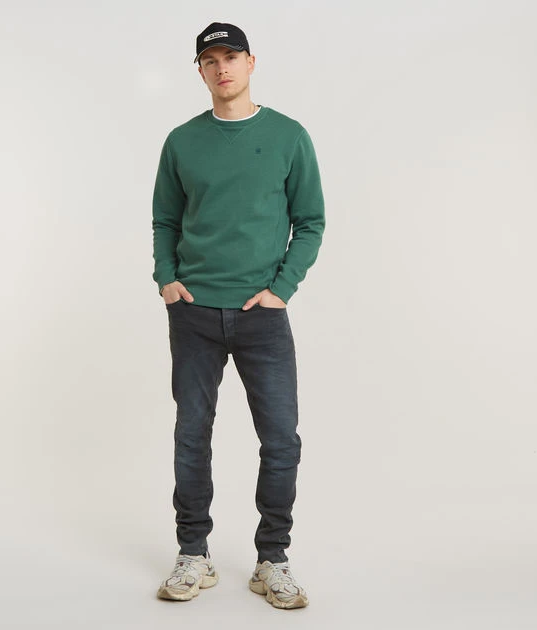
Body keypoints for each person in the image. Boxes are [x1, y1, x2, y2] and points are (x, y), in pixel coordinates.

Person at [152, 22, 325, 609]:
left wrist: (282, 289)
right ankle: (192, 554)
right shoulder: (182, 141)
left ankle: (272, 559)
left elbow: (311, 221)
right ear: (200, 70)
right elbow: (165, 219)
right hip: (194, 313)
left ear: (251, 62)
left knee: (280, 440)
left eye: (231, 56)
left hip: (261, 316)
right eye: (210, 60)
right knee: (191, 435)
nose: (222, 67)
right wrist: (167, 279)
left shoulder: (288, 136)